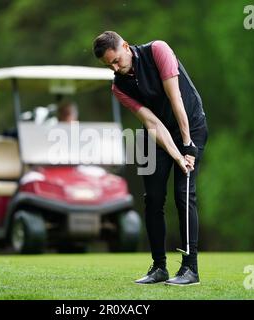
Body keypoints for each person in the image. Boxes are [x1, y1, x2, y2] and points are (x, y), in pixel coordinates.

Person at [93, 31, 208, 286]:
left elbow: (175, 99)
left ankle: (191, 269)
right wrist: (176, 156)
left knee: (183, 193)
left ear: (125, 46)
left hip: (189, 126)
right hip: (155, 135)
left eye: (116, 61)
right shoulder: (118, 86)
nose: (115, 68)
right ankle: (159, 268)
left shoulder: (158, 50)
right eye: (109, 65)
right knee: (153, 198)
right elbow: (151, 121)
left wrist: (186, 147)